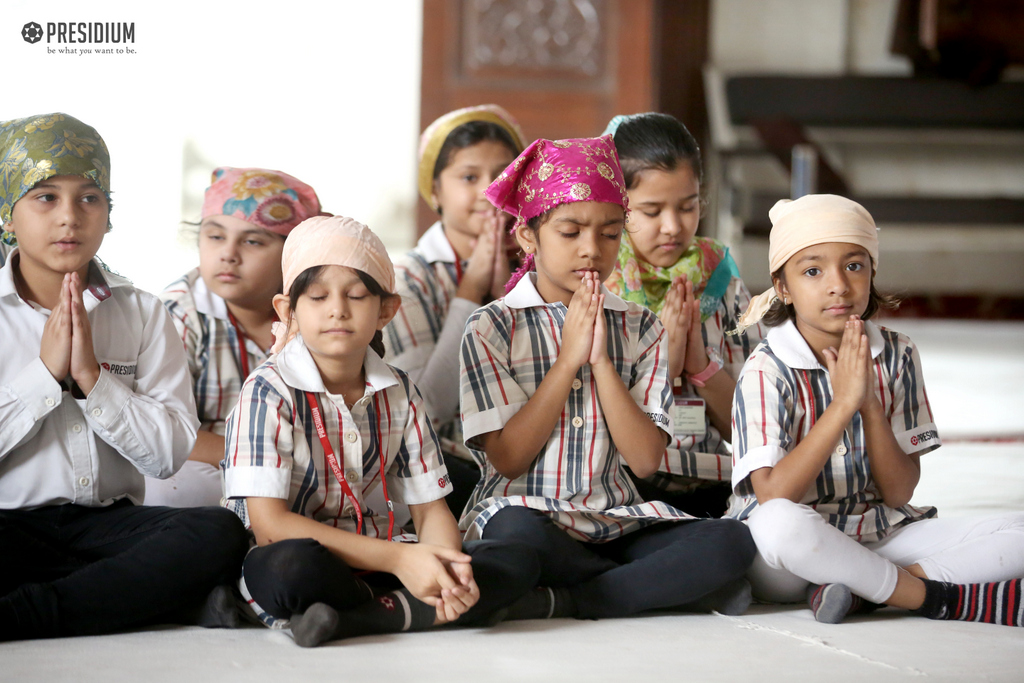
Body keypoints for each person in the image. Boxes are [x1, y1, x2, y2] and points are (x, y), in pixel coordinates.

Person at [459, 136, 756, 621]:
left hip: (616, 521)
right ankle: (647, 589)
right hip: (528, 514)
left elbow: (643, 462)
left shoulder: (641, 327)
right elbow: (509, 460)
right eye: (570, 232)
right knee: (516, 539)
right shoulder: (492, 327)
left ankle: (570, 598)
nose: (592, 250)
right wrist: (568, 360)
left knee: (730, 540)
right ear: (528, 236)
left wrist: (600, 361)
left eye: (611, 233)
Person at [223, 215, 538, 647]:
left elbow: (431, 511)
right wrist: (403, 561)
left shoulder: (401, 390)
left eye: (356, 295)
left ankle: (355, 616)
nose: (337, 309)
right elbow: (270, 526)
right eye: (317, 297)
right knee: (289, 569)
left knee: (513, 557)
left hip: (383, 550)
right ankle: (408, 606)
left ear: (386, 310)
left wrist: (442, 564)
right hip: (315, 554)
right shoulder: (267, 390)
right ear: (287, 310)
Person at [0, 112, 248, 641]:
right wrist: (45, 375)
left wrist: (92, 379)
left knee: (217, 531)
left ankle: (28, 615)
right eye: (45, 197)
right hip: (9, 528)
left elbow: (166, 455)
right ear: (7, 213)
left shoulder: (142, 312)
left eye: (89, 198)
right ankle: (127, 599)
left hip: (107, 527)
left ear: (109, 214)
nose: (70, 217)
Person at [729, 193, 1024, 626]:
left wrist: (869, 403)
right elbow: (774, 495)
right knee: (779, 524)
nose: (839, 285)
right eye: (813, 271)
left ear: (871, 271)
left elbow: (899, 492)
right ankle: (926, 595)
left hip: (877, 532)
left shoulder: (898, 354)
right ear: (783, 287)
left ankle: (865, 591)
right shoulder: (766, 368)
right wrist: (843, 403)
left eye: (854, 265)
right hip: (789, 558)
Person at [604, 113, 763, 517]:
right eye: (651, 211)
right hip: (617, 488)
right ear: (612, 204)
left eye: (687, 207)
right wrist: (666, 364)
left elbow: (757, 429)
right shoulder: (596, 285)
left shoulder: (720, 281)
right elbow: (584, 431)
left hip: (712, 484)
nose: (673, 227)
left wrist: (700, 368)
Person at [148, 167, 326, 507]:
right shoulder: (179, 313)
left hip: (308, 465)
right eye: (215, 237)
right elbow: (166, 435)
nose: (228, 254)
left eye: (252, 241)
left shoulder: (319, 310)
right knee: (169, 489)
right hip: (215, 465)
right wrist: (265, 462)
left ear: (296, 254)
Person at [384, 105, 525, 517]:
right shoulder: (407, 278)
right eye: (468, 177)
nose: (489, 191)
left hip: (535, 457)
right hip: (445, 467)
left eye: (503, 174)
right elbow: (425, 406)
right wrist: (470, 293)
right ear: (435, 190)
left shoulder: (545, 260)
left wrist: (506, 293)